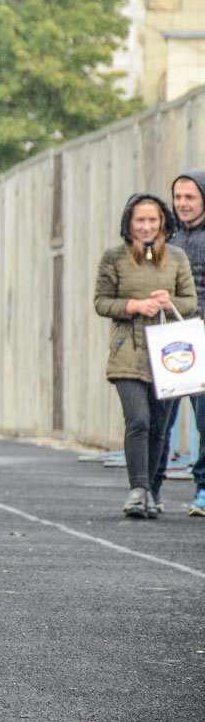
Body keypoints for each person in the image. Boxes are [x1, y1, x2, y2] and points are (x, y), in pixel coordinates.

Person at [94, 193, 196, 519]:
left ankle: (151, 490)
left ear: (163, 222)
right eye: (140, 220)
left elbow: (190, 301)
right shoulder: (113, 257)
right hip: (128, 352)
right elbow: (101, 301)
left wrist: (169, 302)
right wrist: (133, 305)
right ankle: (137, 490)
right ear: (129, 223)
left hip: (169, 355)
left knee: (159, 428)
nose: (146, 226)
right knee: (138, 420)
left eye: (153, 220)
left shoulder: (177, 257)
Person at [162, 169, 205, 516]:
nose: (182, 203)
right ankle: (150, 488)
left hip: (201, 335)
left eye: (190, 197)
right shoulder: (167, 236)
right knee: (160, 419)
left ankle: (203, 488)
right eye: (178, 197)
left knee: (204, 418)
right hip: (170, 338)